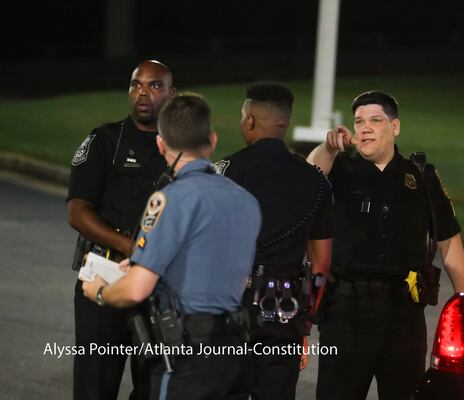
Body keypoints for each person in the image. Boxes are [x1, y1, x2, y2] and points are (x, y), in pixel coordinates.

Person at [81, 92, 262, 399]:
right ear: (213, 140)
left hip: (189, 357)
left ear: (161, 144)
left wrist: (99, 290)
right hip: (234, 354)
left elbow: (137, 289)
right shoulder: (246, 200)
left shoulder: (171, 199)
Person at [306, 90, 464, 400]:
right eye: (359, 122)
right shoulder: (340, 169)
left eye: (375, 120)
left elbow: (450, 245)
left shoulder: (421, 176)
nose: (364, 127)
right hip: (346, 314)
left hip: (403, 318)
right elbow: (310, 173)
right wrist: (328, 148)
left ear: (395, 127)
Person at [215, 82, 333, 400]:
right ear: (286, 122)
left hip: (232, 308)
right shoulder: (316, 182)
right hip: (285, 311)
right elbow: (321, 263)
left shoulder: (227, 172)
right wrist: (305, 324)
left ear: (250, 120)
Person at [67, 60, 175, 399]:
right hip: (105, 275)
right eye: (136, 84)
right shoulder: (104, 140)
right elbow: (77, 211)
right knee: (94, 387)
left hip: (159, 287)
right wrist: (131, 248)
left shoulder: (179, 151)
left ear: (171, 94)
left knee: (153, 390)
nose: (142, 91)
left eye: (154, 85)